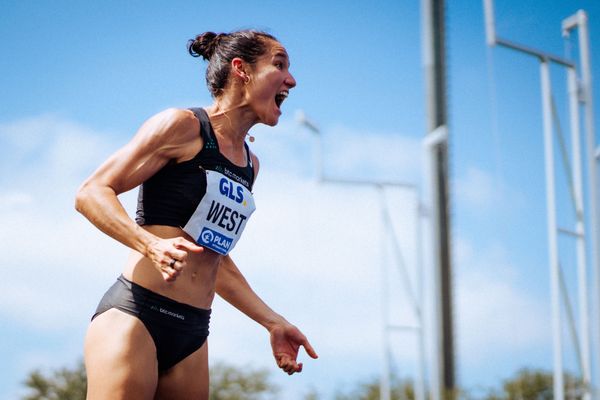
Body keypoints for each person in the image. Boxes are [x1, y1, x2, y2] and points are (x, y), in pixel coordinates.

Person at [75, 29, 318, 400]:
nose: (292, 80)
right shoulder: (183, 125)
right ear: (242, 69)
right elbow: (92, 192)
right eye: (279, 65)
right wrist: (150, 244)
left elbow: (214, 258)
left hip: (193, 333)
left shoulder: (249, 165)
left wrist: (273, 322)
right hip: (136, 314)